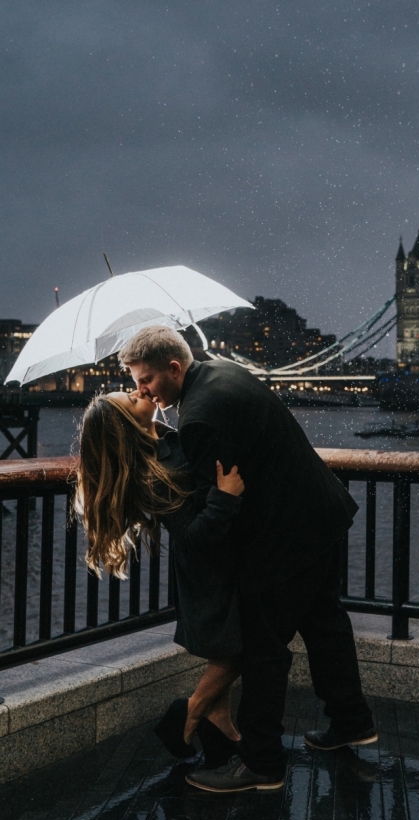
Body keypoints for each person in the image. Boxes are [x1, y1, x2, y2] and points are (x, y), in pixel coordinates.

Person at [118, 325, 376, 794]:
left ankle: (261, 762)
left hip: (283, 540)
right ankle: (352, 721)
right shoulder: (224, 370)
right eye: (137, 383)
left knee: (262, 650)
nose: (142, 390)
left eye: (147, 380)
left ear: (174, 368)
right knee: (324, 622)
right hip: (320, 514)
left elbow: (212, 511)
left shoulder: (197, 418)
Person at [76, 389, 246, 768]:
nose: (140, 392)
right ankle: (187, 715)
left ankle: (222, 730)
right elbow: (191, 537)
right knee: (242, 648)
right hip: (207, 571)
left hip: (220, 563)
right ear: (128, 425)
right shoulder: (153, 472)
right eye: (132, 400)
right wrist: (226, 498)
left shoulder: (173, 435)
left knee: (228, 647)